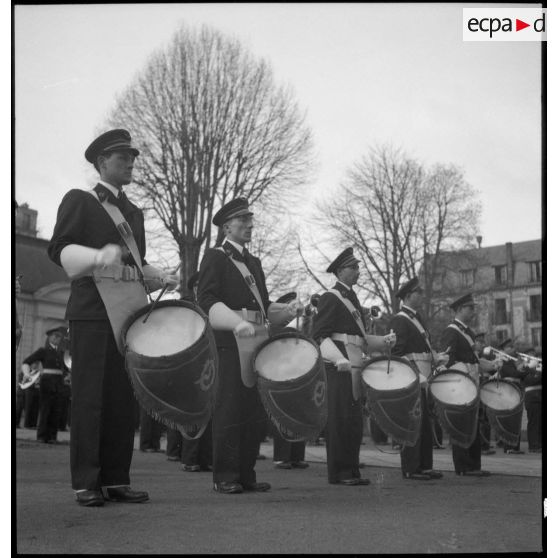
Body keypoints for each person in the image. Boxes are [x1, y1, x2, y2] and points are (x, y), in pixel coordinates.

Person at [47, 129, 178, 506]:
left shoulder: (133, 212)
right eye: (122, 158)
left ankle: (116, 478)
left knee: (123, 399)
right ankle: (86, 480)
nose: (131, 163)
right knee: (91, 399)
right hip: (92, 313)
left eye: (132, 158)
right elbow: (60, 250)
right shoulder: (80, 201)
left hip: (128, 314)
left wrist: (159, 275)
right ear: (102, 163)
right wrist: (95, 256)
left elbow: (136, 265)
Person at [197, 197, 302, 494]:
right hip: (230, 341)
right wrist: (233, 322)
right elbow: (206, 299)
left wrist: (288, 311)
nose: (249, 225)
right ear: (226, 226)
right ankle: (225, 476)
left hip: (257, 340)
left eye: (250, 220)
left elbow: (264, 307)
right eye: (242, 221)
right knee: (229, 409)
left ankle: (246, 473)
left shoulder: (253, 262)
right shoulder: (215, 257)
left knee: (252, 411)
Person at [311, 247, 395, 486]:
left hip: (354, 364)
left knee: (353, 421)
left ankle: (351, 469)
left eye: (358, 267)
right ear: (340, 271)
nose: (358, 271)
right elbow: (319, 335)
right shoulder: (331, 297)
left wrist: (383, 341)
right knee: (340, 420)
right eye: (353, 267)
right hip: (339, 368)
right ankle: (340, 472)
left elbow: (360, 339)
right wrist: (337, 358)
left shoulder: (352, 298)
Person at [390, 277, 446, 480]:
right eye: (418, 292)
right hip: (412, 379)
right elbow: (397, 353)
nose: (421, 295)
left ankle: (424, 465)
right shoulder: (400, 319)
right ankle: (411, 467)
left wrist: (437, 358)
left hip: (423, 378)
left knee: (424, 423)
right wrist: (416, 374)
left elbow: (421, 349)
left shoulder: (417, 318)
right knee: (412, 422)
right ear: (407, 296)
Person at [440, 293, 501, 477]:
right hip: (460, 385)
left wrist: (491, 366)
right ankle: (464, 466)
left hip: (472, 384)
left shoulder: (467, 332)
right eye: (470, 308)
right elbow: (447, 360)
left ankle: (474, 465)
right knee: (461, 425)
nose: (473, 312)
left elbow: (473, 360)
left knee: (472, 424)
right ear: (459, 310)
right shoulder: (452, 331)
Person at [21, 326, 69, 443]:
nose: (57, 339)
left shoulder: (62, 353)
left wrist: (68, 375)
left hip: (59, 383)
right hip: (47, 382)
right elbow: (26, 362)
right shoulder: (43, 351)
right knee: (45, 409)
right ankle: (42, 436)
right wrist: (27, 374)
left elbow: (66, 368)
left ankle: (52, 436)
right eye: (55, 336)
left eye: (59, 337)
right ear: (49, 338)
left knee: (56, 410)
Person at [497, 339, 526, 455]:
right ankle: (509, 446)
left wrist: (525, 368)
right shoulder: (502, 360)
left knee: (516, 418)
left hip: (516, 389)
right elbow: (514, 374)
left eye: (512, 346)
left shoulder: (513, 361)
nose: (513, 349)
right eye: (509, 347)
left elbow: (521, 375)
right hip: (508, 390)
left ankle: (515, 447)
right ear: (504, 350)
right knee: (509, 419)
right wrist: (524, 368)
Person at [474, 332, 495, 456]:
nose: (483, 345)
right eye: (480, 342)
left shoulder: (481, 356)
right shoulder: (474, 356)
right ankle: (482, 445)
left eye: (483, 342)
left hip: (483, 387)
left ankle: (485, 444)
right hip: (477, 387)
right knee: (480, 418)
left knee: (485, 418)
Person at [521, 347, 542, 453]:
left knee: (540, 422)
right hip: (532, 398)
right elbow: (532, 380)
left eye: (534, 355)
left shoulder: (537, 367)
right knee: (533, 422)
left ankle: (539, 443)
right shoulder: (524, 368)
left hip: (539, 397)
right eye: (530, 355)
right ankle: (533, 445)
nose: (533, 357)